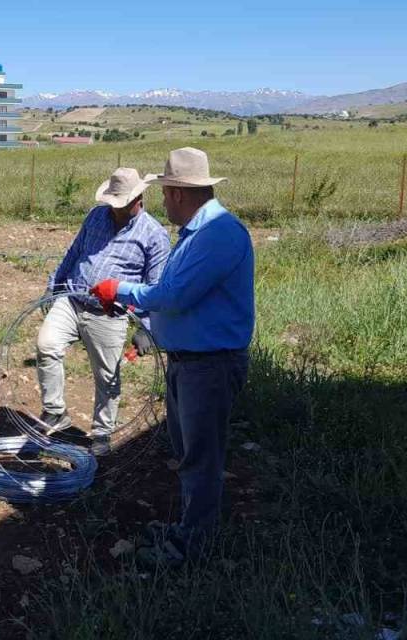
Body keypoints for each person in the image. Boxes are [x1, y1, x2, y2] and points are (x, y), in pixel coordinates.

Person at [91, 147, 254, 558]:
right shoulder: (199, 235)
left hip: (209, 365)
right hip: (192, 362)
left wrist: (119, 290)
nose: (162, 202)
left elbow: (174, 294)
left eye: (165, 193)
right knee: (189, 452)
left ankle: (193, 546)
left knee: (200, 458)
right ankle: (189, 527)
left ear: (179, 192)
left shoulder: (218, 235)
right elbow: (172, 295)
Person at [37, 167, 170, 455]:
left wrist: (145, 327)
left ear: (138, 199)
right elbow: (74, 253)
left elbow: (155, 287)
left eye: (121, 204)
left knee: (107, 377)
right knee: (46, 345)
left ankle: (101, 433)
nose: (115, 209)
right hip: (72, 299)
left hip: (110, 313)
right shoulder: (96, 215)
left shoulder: (154, 235)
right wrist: (55, 286)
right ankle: (55, 412)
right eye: (113, 203)